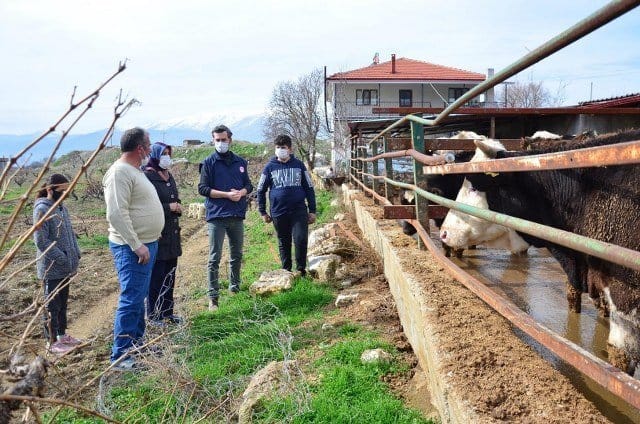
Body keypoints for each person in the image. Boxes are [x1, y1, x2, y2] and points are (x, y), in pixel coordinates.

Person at [103, 127, 164, 369]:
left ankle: (137, 346)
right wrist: (136, 244)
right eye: (148, 145)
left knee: (139, 297)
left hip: (146, 243)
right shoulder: (119, 173)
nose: (150, 149)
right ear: (140, 148)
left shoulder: (133, 171)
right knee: (131, 299)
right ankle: (121, 355)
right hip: (132, 248)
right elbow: (116, 213)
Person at [198, 124, 253, 311]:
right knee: (214, 257)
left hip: (236, 214)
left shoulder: (240, 162)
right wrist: (226, 195)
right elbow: (203, 189)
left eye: (224, 139)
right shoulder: (208, 163)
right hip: (217, 216)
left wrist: (242, 192)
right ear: (213, 140)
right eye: (217, 140)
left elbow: (249, 186)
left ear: (230, 139)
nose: (221, 143)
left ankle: (234, 287)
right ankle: (213, 297)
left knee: (236, 254)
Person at [33, 174, 82, 355]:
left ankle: (62, 336)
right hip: (51, 267)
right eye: (62, 190)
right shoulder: (42, 210)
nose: (65, 193)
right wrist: (61, 257)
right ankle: (51, 342)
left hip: (66, 267)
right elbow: (41, 242)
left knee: (62, 304)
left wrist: (76, 252)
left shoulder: (61, 208)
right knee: (51, 306)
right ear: (50, 189)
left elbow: (70, 234)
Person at [257, 135, 316, 276]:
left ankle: (301, 270)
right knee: (284, 242)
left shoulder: (299, 165)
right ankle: (286, 271)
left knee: (300, 239)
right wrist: (262, 212)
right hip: (278, 211)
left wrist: (312, 210)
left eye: (283, 148)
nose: (280, 150)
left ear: (290, 149)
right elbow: (260, 189)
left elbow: (309, 187)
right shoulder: (269, 168)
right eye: (278, 147)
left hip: (299, 211)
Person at [144, 142, 183, 325]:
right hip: (158, 233)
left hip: (172, 234)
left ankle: (168, 312)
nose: (166, 157)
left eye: (168, 153)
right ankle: (153, 314)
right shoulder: (148, 177)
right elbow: (146, 205)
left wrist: (178, 205)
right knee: (156, 277)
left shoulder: (169, 176)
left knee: (170, 276)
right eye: (163, 154)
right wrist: (169, 207)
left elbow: (175, 196)